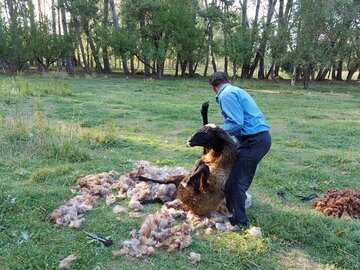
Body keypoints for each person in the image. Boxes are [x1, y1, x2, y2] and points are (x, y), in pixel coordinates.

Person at [209, 71, 272, 227]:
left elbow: (236, 123)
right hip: (253, 139)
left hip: (254, 141)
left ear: (213, 87)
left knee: (236, 183)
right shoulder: (234, 90)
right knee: (232, 176)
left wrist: (216, 131)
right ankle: (233, 208)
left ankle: (239, 221)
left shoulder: (225, 95)